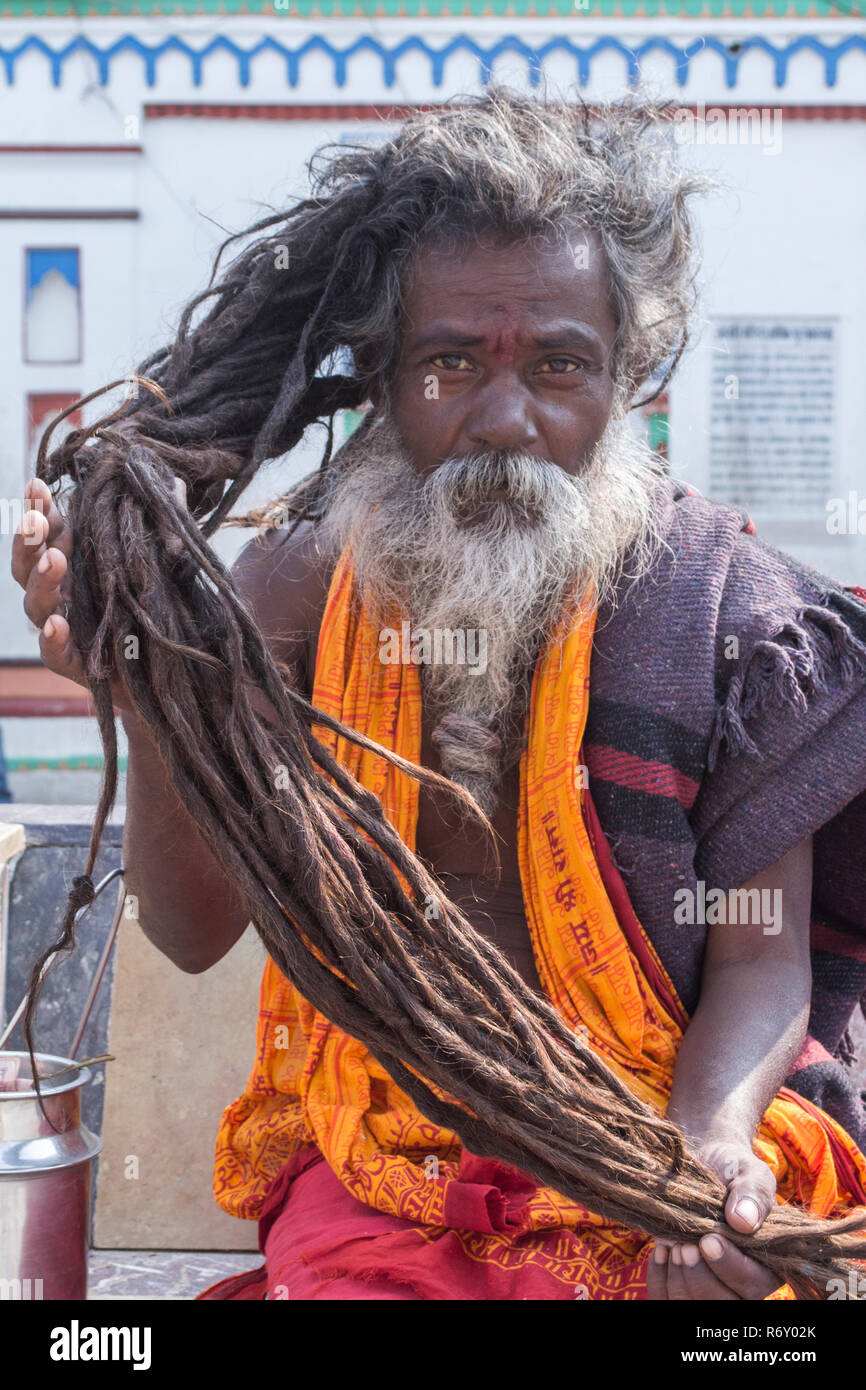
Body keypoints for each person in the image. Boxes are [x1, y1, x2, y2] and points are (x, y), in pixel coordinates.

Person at [12, 90, 866, 1300]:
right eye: (451, 363)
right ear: (384, 382)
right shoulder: (298, 586)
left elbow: (760, 952)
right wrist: (150, 693)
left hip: (660, 1140)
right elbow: (192, 935)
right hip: (382, 1159)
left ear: (625, 379)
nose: (506, 418)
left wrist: (707, 1146)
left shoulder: (719, 611)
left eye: (560, 366)